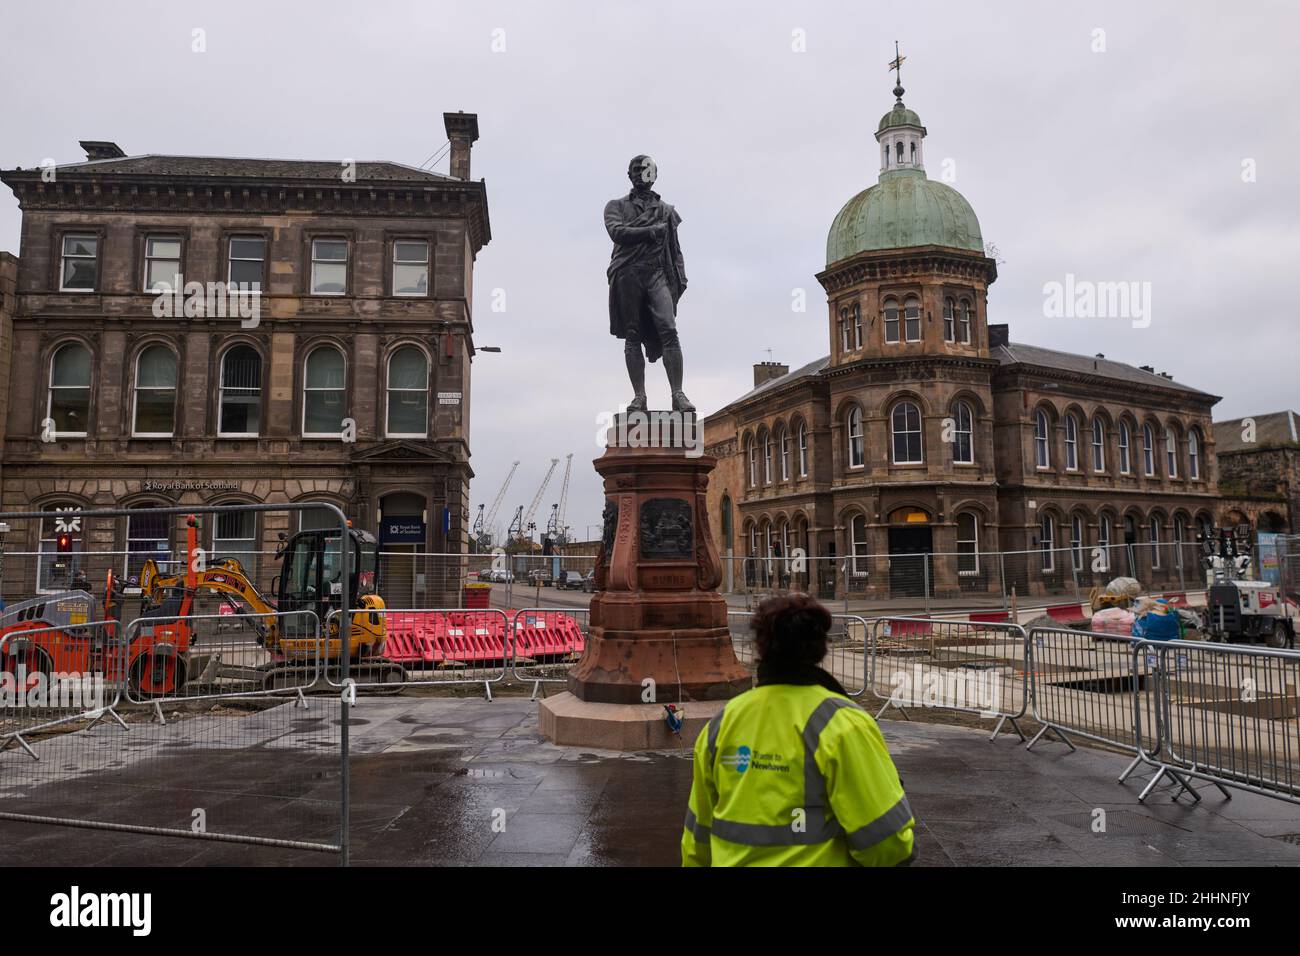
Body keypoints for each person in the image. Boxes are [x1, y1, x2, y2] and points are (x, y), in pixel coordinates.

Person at [682, 594, 915, 867]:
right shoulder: (843, 724)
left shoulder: (722, 724)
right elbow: (888, 844)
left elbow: (697, 841)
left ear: (760, 647)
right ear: (819, 648)